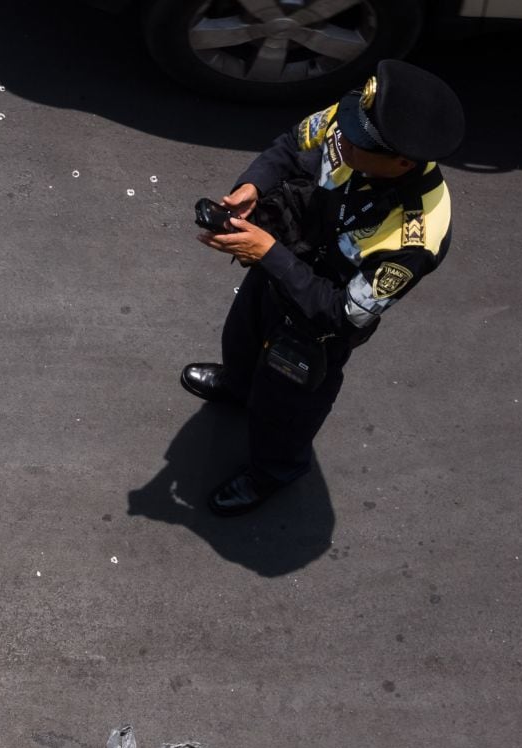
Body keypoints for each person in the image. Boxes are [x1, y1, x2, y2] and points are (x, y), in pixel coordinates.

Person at [183, 60, 464, 516]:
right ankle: (238, 387)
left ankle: (273, 472)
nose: (343, 137)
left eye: (356, 141)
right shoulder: (357, 121)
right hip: (277, 266)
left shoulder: (417, 235)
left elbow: (343, 313)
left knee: (286, 408)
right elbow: (292, 146)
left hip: (315, 326)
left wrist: (268, 254)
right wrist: (253, 185)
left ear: (402, 161)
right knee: (240, 339)